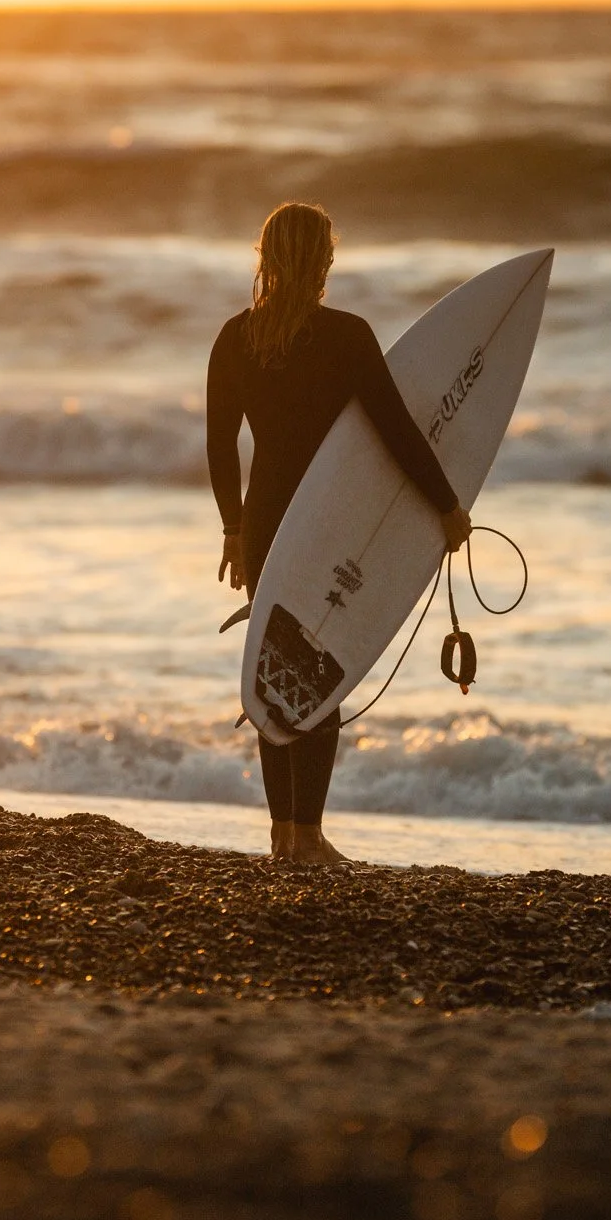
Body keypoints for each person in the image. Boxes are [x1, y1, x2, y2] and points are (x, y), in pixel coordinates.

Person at [207, 202, 470, 866]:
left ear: (263, 258)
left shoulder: (234, 338)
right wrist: (444, 505)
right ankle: (306, 834)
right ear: (322, 261)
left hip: (268, 517)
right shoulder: (346, 336)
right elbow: (393, 431)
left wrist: (233, 529)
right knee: (319, 664)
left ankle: (281, 834)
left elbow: (218, 445)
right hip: (327, 518)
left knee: (275, 665)